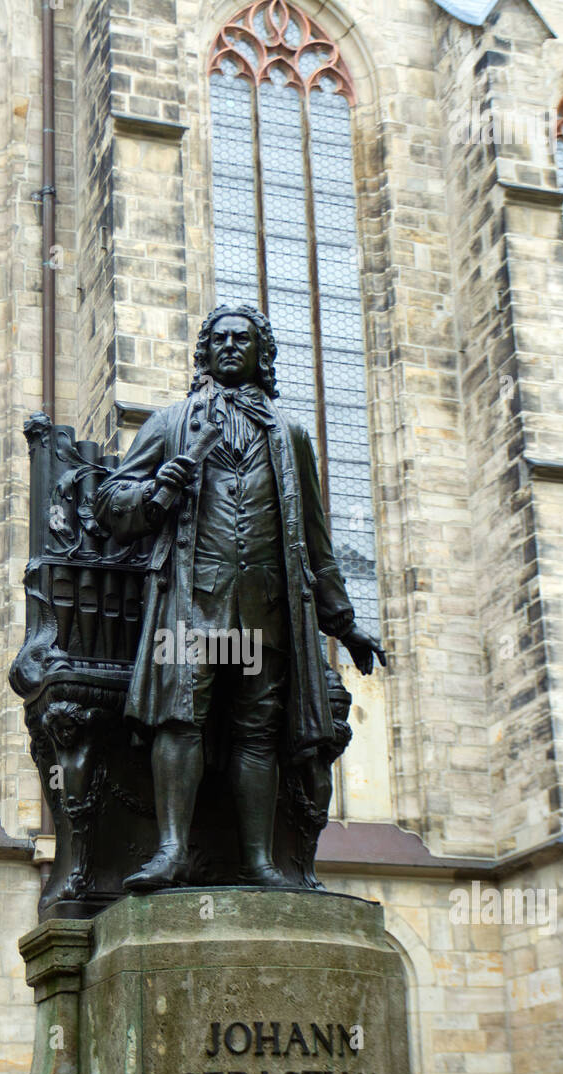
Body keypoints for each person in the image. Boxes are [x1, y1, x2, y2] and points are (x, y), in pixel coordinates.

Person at [94, 304, 385, 890]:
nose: (230, 346)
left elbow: (315, 540)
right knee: (181, 718)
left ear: (261, 354)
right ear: (205, 352)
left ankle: (260, 861)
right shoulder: (171, 422)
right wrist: (159, 486)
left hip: (263, 611)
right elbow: (110, 504)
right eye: (219, 339)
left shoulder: (291, 437)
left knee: (258, 730)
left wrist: (344, 622)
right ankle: (172, 851)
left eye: (243, 339)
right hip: (193, 605)